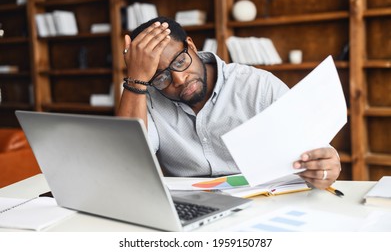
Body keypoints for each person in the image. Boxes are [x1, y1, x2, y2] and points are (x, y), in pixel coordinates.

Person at [118, 16, 341, 190]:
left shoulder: (257, 86)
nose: (179, 79)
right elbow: (127, 164)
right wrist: (136, 79)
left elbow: (315, 149)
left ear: (192, 46)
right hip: (193, 212)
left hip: (263, 204)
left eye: (180, 61)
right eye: (160, 77)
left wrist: (324, 168)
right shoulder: (142, 96)